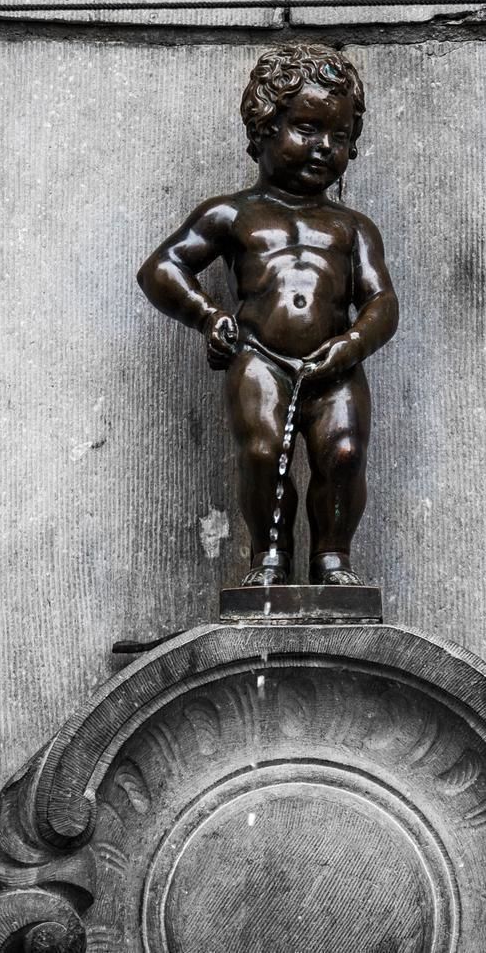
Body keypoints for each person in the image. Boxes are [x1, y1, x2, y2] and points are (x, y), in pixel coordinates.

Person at [138, 43, 398, 586]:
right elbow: (161, 269)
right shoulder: (232, 213)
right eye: (306, 128)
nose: (324, 147)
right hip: (260, 358)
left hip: (337, 364)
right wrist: (208, 316)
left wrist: (351, 345)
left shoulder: (353, 227)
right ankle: (269, 558)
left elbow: (382, 302)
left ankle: (333, 559)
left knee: (345, 453)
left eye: (340, 136)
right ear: (263, 129)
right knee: (261, 452)